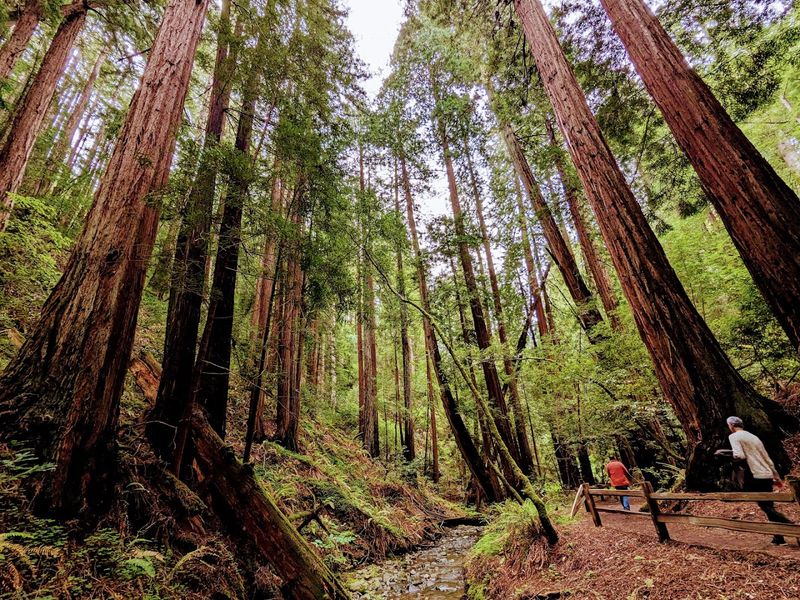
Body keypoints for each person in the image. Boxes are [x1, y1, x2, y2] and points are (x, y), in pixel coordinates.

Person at [727, 416, 795, 545]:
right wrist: (776, 477)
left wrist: (727, 454)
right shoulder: (754, 437)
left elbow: (739, 455)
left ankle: (794, 528)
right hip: (766, 475)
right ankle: (778, 538)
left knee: (766, 507)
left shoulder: (734, 437)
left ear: (731, 426)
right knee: (768, 506)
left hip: (754, 476)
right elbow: (767, 458)